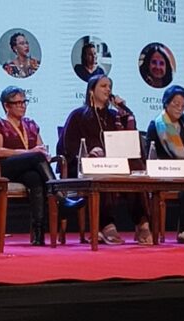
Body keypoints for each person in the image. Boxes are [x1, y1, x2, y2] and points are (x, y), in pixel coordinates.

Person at [60, 75, 152, 245]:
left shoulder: (114, 116)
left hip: (116, 164)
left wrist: (125, 112)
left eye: (109, 86)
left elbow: (130, 141)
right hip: (87, 166)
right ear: (91, 91)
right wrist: (89, 152)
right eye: (103, 86)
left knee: (134, 169)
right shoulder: (78, 115)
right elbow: (68, 147)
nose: (108, 89)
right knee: (105, 170)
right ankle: (106, 224)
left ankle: (142, 222)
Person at [0, 87, 55, 246]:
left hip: (25, 169)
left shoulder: (31, 124)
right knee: (35, 157)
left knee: (35, 179)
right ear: (7, 106)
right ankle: (56, 191)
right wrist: (29, 153)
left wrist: (44, 154)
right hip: (4, 167)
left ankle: (38, 234)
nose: (22, 106)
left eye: (24, 102)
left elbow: (40, 148)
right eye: (17, 103)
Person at [147, 85, 184, 243]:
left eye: (183, 105)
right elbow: (150, 156)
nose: (179, 108)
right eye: (175, 104)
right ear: (166, 103)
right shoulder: (156, 125)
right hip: (166, 171)